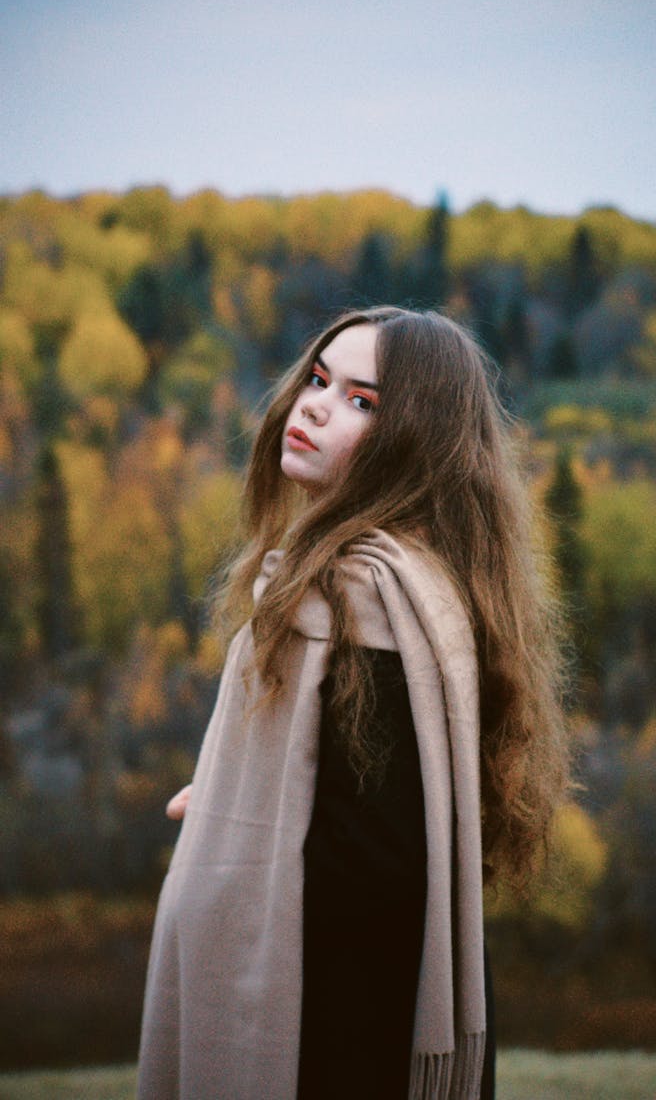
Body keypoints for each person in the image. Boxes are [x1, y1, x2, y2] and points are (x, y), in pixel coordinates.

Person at [137, 307, 570, 1100]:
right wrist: (241, 793)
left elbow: (378, 865)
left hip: (331, 1031)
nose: (313, 406)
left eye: (362, 401)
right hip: (353, 1009)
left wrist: (257, 831)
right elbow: (364, 795)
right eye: (318, 379)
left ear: (417, 440)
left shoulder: (363, 598)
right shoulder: (418, 581)